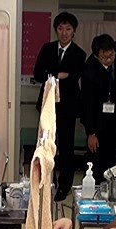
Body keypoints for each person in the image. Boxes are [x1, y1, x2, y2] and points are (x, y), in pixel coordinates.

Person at [32, 12, 87, 201]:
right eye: (61, 28)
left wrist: (52, 74)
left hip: (67, 108)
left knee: (65, 147)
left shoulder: (79, 54)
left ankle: (64, 185)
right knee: (45, 144)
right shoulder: (47, 48)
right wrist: (57, 75)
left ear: (74, 31)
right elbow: (38, 73)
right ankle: (45, 181)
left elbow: (72, 78)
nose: (64, 32)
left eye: (68, 29)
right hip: (47, 104)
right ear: (56, 30)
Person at [81, 34, 116, 183]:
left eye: (111, 55)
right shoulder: (89, 72)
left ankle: (107, 188)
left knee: (109, 160)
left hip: (112, 120)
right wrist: (91, 133)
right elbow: (87, 105)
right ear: (97, 56)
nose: (109, 60)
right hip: (96, 123)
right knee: (95, 162)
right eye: (105, 58)